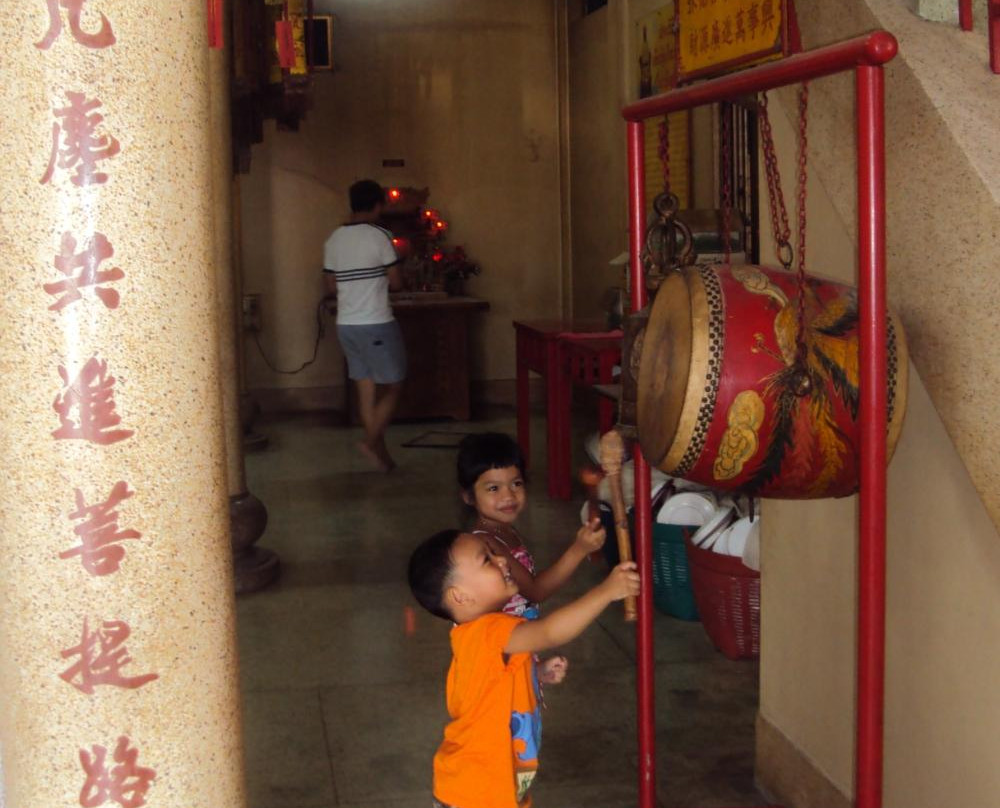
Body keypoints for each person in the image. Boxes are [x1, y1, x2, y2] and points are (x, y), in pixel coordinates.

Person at [408, 529, 640, 808]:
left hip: (483, 789)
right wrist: (605, 592)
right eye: (487, 560)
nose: (502, 560)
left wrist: (535, 672)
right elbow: (550, 632)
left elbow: (492, 687)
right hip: (477, 793)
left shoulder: (476, 637)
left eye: (494, 553)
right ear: (460, 597)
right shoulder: (489, 632)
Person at [457, 433, 605, 683]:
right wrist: (578, 550)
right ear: (469, 496)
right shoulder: (487, 543)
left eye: (516, 483)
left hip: (517, 649)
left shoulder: (504, 531)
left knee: (525, 701)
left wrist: (535, 670)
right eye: (493, 488)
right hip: (499, 660)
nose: (508, 495)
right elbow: (535, 591)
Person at [323, 179, 405, 471]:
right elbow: (396, 282)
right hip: (376, 322)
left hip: (346, 324)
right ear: (377, 205)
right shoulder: (380, 236)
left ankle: (382, 457)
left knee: (365, 388)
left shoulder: (334, 239)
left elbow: (330, 286)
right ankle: (370, 442)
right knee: (394, 385)